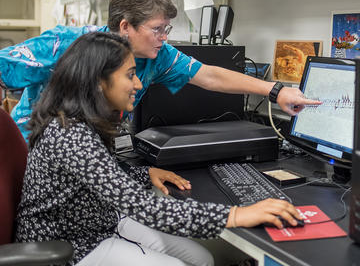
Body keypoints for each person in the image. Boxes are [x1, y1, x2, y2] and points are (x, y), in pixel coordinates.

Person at [16, 32, 302, 266]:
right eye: (130, 75)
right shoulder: (71, 135)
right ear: (99, 83)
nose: (138, 84)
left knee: (201, 258)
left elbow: (102, 176)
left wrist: (145, 173)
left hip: (97, 221)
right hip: (66, 245)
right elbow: (144, 207)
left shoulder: (86, 120)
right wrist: (237, 215)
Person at [0, 0, 320, 140]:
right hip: (31, 157)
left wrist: (276, 91)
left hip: (91, 158)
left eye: (167, 28)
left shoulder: (157, 55)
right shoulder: (64, 45)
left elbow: (209, 75)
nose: (164, 38)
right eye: (157, 29)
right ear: (125, 26)